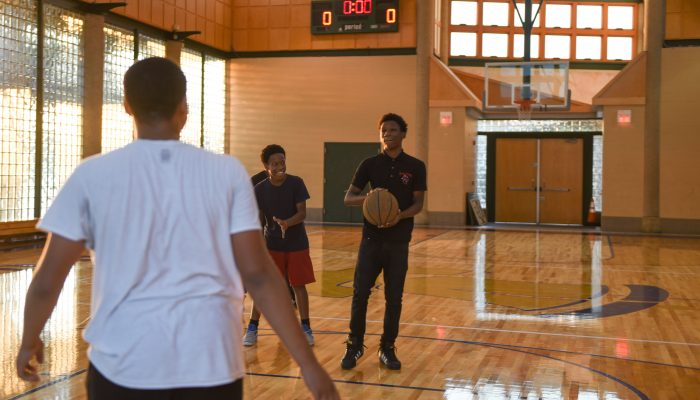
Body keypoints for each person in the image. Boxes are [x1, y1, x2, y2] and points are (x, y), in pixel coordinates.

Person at [15, 57, 338, 400]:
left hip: (120, 370)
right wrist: (308, 364)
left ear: (126, 106)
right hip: (210, 368)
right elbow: (259, 275)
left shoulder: (91, 175)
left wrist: (29, 338)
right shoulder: (226, 173)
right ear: (184, 106)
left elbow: (48, 279)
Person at [340, 113, 426, 371]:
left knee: (394, 298)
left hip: (399, 241)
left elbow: (418, 204)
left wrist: (399, 214)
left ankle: (387, 348)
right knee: (360, 294)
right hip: (371, 239)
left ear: (403, 134)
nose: (387, 134)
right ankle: (354, 346)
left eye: (392, 130)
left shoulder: (415, 166)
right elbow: (348, 198)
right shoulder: (369, 164)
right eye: (383, 130)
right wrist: (370, 198)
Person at [243, 144, 316, 347]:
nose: (280, 166)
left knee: (298, 286)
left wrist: (287, 223)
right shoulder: (259, 190)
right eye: (275, 163)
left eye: (282, 161)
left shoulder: (296, 183)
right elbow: (258, 221)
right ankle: (252, 328)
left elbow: (302, 213)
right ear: (266, 166)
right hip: (272, 245)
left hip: (297, 244)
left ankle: (306, 328)